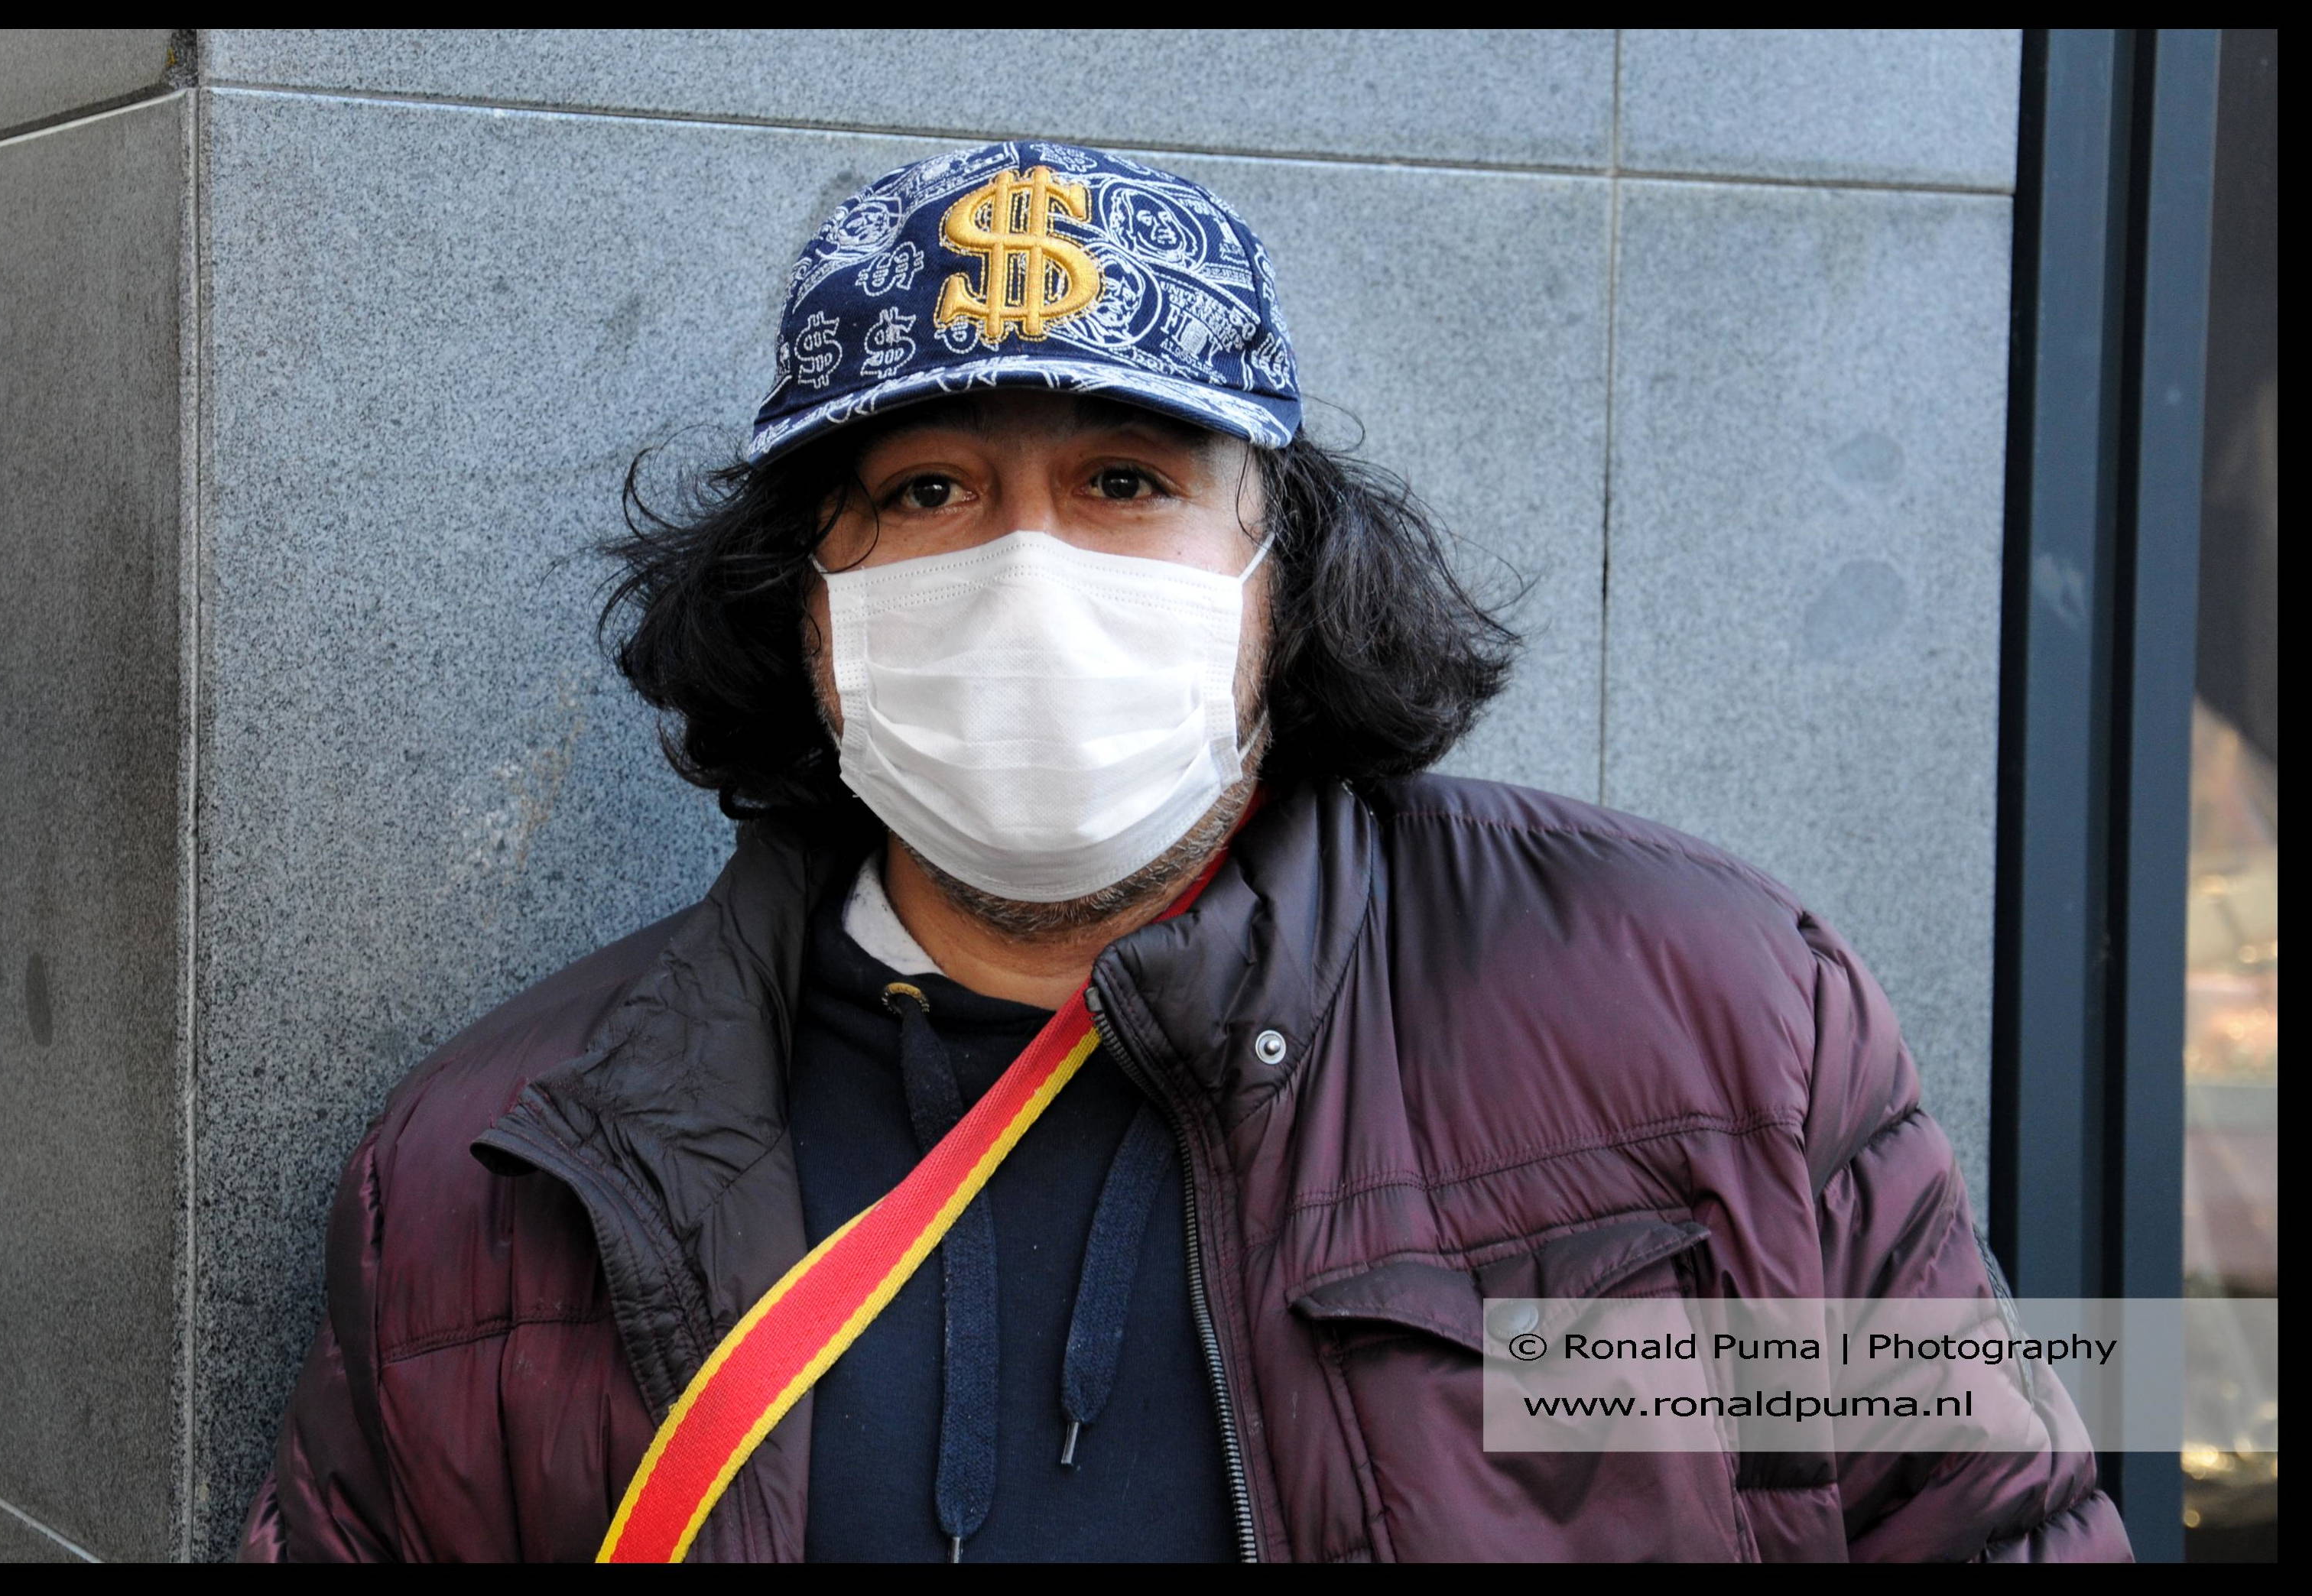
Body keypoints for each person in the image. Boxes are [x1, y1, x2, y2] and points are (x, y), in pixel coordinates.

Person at [239, 140, 2127, 1562]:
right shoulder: (494, 1175)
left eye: (1125, 480)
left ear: (1280, 575)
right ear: (799, 602)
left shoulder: (1708, 1021)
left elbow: (1979, 1520)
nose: (1026, 572)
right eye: (925, 490)